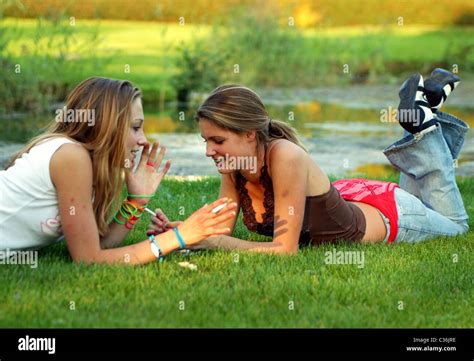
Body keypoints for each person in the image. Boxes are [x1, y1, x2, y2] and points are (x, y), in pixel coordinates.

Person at [148, 68, 469, 254]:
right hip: (357, 198)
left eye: (218, 141)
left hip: (392, 216)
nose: (209, 152)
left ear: (248, 134)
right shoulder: (235, 166)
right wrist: (181, 233)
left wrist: (217, 243)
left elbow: (283, 251)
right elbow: (219, 229)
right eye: (206, 142)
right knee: (427, 192)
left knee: (456, 228)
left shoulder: (284, 156)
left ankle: (425, 119)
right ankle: (426, 107)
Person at [0, 77, 237, 264]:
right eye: (135, 128)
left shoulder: (79, 159)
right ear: (107, 126)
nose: (143, 140)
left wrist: (136, 202)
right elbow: (89, 259)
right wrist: (180, 236)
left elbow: (98, 245)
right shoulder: (71, 157)